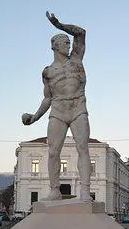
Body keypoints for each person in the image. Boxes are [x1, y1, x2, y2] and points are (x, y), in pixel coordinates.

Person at [22, 12, 92, 202]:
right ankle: (54, 190)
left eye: (69, 43)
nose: (69, 45)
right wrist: (34, 117)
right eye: (64, 42)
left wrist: (59, 25)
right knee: (53, 152)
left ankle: (85, 191)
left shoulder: (76, 59)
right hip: (58, 111)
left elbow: (81, 33)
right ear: (54, 46)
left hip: (78, 108)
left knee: (83, 147)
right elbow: (47, 98)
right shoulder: (48, 72)